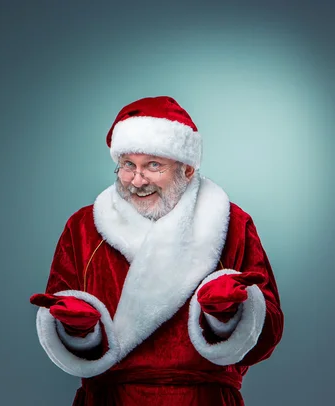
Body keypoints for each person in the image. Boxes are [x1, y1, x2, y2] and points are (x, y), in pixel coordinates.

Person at [29, 96, 284, 405]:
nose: (137, 180)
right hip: (111, 398)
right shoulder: (84, 227)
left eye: (153, 165)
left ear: (187, 169)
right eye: (127, 165)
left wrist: (227, 316)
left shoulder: (231, 223)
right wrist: (79, 330)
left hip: (203, 399)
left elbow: (269, 330)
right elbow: (59, 312)